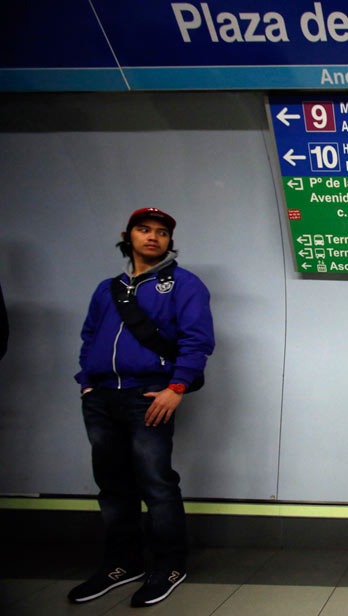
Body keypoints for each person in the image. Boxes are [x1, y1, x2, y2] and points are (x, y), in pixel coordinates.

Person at [68, 208, 214, 607]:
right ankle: (122, 563)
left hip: (149, 396)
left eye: (162, 232)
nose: (153, 237)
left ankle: (168, 565)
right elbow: (89, 336)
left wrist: (176, 387)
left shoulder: (184, 284)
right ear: (127, 235)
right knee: (113, 487)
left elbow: (197, 340)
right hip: (101, 399)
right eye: (144, 230)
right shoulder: (107, 288)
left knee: (156, 483)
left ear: (170, 241)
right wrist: (87, 384)